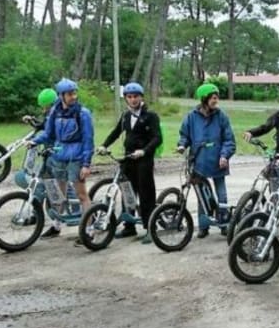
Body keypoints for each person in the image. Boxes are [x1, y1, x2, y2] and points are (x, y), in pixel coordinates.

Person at [96, 82, 162, 244]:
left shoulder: (150, 116)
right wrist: (104, 145)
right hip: (128, 158)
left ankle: (150, 229)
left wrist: (144, 151)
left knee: (146, 194)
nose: (133, 100)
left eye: (136, 97)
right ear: (126, 98)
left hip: (143, 160)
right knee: (127, 191)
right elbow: (116, 132)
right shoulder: (126, 115)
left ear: (141, 97)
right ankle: (129, 225)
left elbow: (157, 138)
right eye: (129, 97)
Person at [30, 78, 94, 239]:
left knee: (81, 195)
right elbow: (48, 133)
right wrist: (34, 141)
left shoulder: (83, 114)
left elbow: (88, 140)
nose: (73, 96)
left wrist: (86, 164)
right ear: (61, 96)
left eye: (74, 93)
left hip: (76, 157)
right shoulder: (55, 112)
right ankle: (56, 225)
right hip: (59, 155)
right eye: (69, 94)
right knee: (58, 194)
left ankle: (89, 229)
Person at [177, 83, 236, 238]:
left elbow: (229, 140)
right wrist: (182, 145)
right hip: (199, 162)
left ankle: (224, 223)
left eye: (217, 97)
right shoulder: (191, 117)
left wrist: (225, 155)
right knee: (202, 195)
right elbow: (185, 135)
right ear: (204, 99)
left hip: (218, 161)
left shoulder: (221, 116)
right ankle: (203, 225)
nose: (216, 101)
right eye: (213, 98)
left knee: (221, 195)